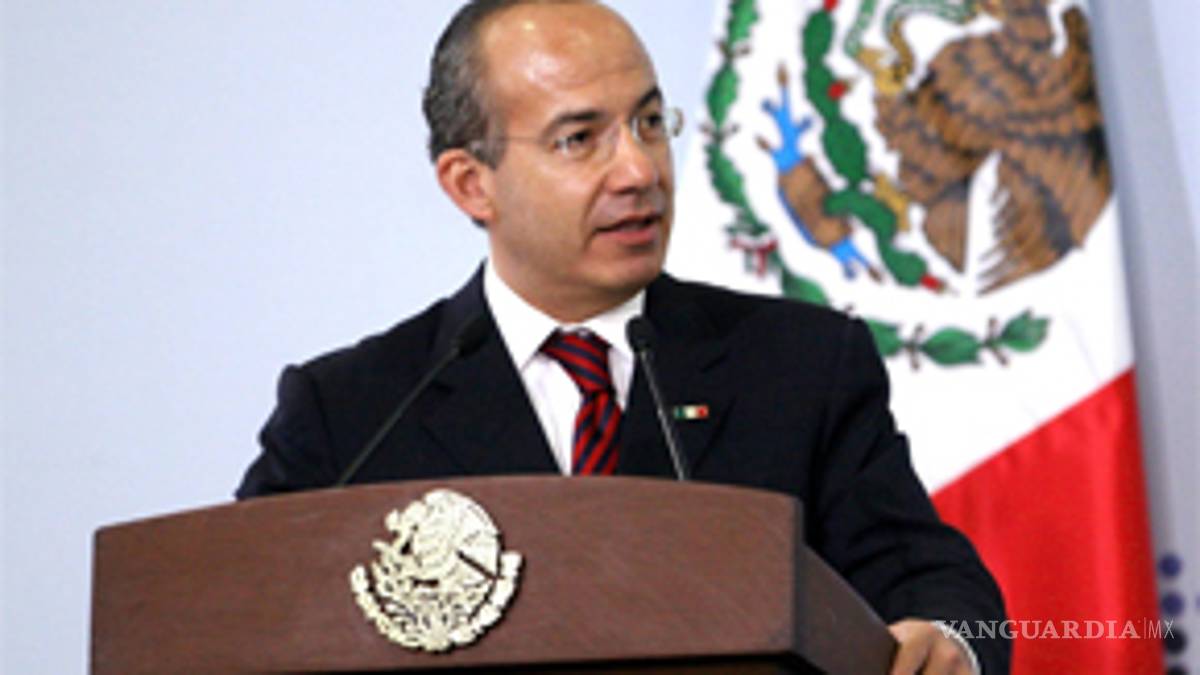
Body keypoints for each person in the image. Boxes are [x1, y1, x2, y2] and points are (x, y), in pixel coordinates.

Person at [237, 1, 1010, 672]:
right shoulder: (352, 412)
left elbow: (942, 589)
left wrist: (951, 640)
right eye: (580, 139)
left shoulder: (801, 365)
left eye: (649, 123)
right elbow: (231, 618)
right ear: (472, 184)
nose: (640, 170)